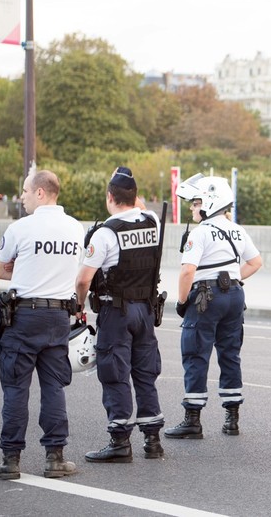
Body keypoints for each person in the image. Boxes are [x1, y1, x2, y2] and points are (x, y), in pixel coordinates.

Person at [0, 169, 85, 480]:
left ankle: (11, 459)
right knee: (54, 386)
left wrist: (25, 268)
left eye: (26, 192)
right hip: (58, 316)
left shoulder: (21, 228)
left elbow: (0, 270)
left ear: (41, 193)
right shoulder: (75, 228)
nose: (23, 197)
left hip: (25, 316)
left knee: (16, 387)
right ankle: (55, 457)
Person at [75, 167, 165, 463]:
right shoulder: (151, 221)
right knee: (144, 373)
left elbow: (83, 280)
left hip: (116, 312)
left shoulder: (105, 233)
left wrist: (78, 304)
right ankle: (153, 440)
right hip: (145, 311)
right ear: (135, 196)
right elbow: (140, 208)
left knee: (115, 373)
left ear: (109, 197)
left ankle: (119, 441)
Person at [164, 174, 262, 439]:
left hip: (205, 297)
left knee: (196, 354)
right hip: (234, 296)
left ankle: (192, 421)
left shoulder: (201, 233)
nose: (192, 208)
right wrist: (232, 278)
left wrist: (182, 302)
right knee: (230, 354)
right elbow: (256, 262)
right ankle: (232, 419)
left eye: (195, 203)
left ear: (208, 201)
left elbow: (187, 272)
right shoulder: (237, 229)